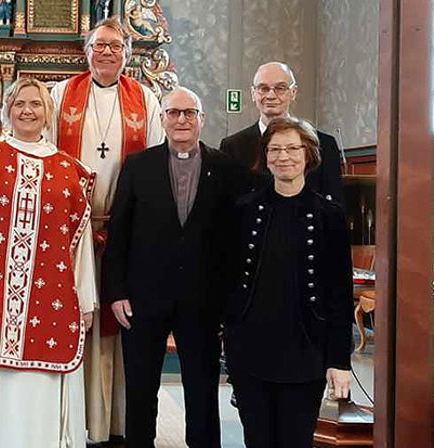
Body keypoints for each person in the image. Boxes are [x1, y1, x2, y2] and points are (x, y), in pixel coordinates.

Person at [0, 77, 97, 448]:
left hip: (50, 299)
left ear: (48, 112)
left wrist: (85, 301)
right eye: (20, 103)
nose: (28, 110)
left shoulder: (70, 171)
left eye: (36, 104)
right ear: (7, 110)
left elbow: (79, 247)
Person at [103, 87, 242, 448]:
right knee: (140, 390)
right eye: (173, 113)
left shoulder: (226, 169)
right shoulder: (137, 166)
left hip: (203, 300)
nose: (182, 120)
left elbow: (234, 239)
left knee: (202, 388)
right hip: (143, 298)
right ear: (161, 119)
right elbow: (119, 233)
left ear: (202, 119)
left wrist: (230, 298)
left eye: (189, 113)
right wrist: (116, 292)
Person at [48, 16, 164, 443]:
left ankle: (114, 424)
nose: (107, 52)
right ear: (86, 51)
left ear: (127, 54)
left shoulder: (146, 100)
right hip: (70, 234)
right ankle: (73, 419)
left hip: (125, 231)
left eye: (116, 46)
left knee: (117, 325)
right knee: (76, 319)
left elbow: (153, 166)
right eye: (99, 45)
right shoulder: (61, 95)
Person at [223, 117, 352, 448]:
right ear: (265, 157)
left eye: (293, 148)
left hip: (306, 351)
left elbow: (339, 294)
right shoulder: (243, 210)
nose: (284, 157)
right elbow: (226, 279)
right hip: (250, 350)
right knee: (257, 439)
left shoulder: (330, 215)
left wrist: (340, 360)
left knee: (295, 440)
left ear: (308, 154)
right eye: (275, 149)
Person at [219, 62, 344, 203]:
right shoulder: (232, 146)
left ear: (293, 92)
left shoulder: (324, 144)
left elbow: (334, 207)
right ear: (253, 94)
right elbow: (226, 205)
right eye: (263, 88)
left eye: (280, 88)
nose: (271, 95)